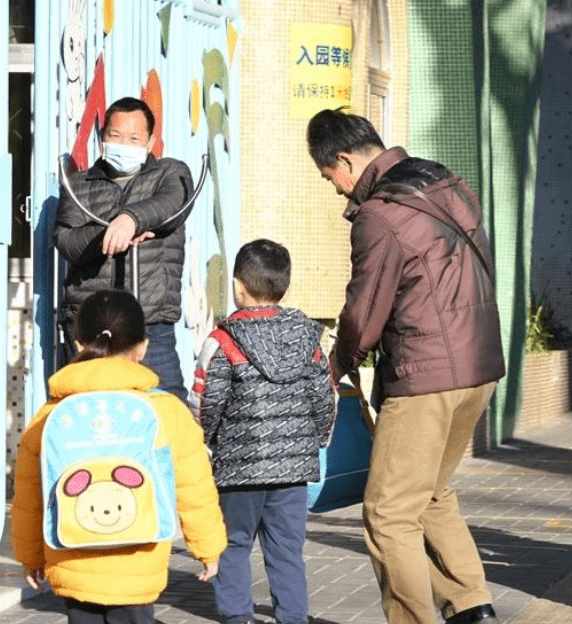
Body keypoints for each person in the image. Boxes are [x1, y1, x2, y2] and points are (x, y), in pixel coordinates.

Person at [306, 108, 506, 624]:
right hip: (478, 364)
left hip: (427, 376)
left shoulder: (380, 214)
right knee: (430, 492)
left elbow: (364, 311)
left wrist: (335, 364)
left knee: (389, 513)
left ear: (345, 160)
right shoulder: (443, 182)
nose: (336, 190)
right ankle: (470, 605)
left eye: (331, 177)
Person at [10, 289, 226, 624]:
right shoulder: (166, 411)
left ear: (78, 344)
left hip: (72, 558)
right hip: (139, 561)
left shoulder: (51, 415)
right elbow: (195, 488)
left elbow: (29, 496)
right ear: (142, 347)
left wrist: (29, 554)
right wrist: (207, 548)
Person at [190, 239, 335, 624]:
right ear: (282, 286)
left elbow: (206, 401)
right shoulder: (308, 340)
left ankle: (238, 616)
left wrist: (208, 441)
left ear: (238, 286)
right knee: (287, 549)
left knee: (233, 543)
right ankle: (293, 617)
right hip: (292, 470)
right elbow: (324, 396)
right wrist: (316, 439)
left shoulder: (222, 341)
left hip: (239, 469)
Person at [54, 96, 196, 401]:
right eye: (115, 136)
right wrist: (110, 230)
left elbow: (174, 202)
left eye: (134, 138)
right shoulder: (78, 186)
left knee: (167, 405)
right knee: (84, 405)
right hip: (90, 325)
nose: (124, 144)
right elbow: (67, 241)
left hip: (151, 326)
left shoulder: (170, 173)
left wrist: (132, 218)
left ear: (150, 141)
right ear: (102, 137)